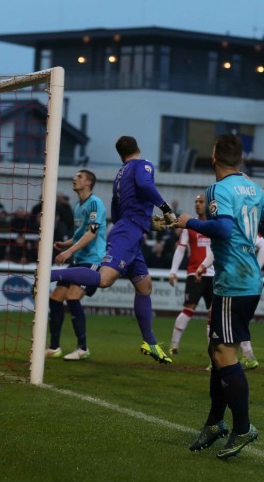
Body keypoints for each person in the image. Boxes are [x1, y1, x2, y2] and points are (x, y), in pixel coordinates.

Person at [172, 133, 264, 459]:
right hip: (246, 279)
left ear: (214, 157)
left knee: (225, 355)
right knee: (215, 350)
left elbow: (224, 229)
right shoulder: (253, 187)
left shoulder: (217, 190)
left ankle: (243, 428)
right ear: (241, 160)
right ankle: (215, 422)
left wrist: (190, 222)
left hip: (234, 281)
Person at [48, 136, 177, 364]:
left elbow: (117, 212)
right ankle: (52, 274)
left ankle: (150, 342)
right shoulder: (142, 164)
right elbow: (146, 186)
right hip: (128, 233)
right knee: (104, 279)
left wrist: (146, 223)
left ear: (120, 155)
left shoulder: (120, 175)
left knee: (144, 286)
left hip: (129, 232)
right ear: (138, 148)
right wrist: (165, 208)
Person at [46, 170, 107, 361]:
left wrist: (69, 251)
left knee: (72, 297)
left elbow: (92, 232)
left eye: (79, 177)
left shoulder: (95, 203)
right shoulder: (78, 206)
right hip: (78, 260)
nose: (74, 179)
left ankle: (83, 348)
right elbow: (81, 235)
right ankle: (54, 347)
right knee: (55, 298)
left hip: (93, 262)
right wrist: (66, 244)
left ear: (88, 182)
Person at [196, 234, 264, 370]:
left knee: (214, 318)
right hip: (242, 282)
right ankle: (248, 357)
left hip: (233, 282)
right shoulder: (244, 227)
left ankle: (216, 361)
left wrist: (255, 269)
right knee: (235, 321)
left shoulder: (232, 226)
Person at [167, 195, 215, 356]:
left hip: (215, 274)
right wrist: (173, 271)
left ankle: (213, 354)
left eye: (201, 202)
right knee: (189, 308)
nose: (197, 204)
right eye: (195, 202)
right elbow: (181, 248)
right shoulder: (190, 225)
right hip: (195, 272)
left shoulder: (215, 224)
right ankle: (173, 346)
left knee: (214, 314)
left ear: (208, 206)